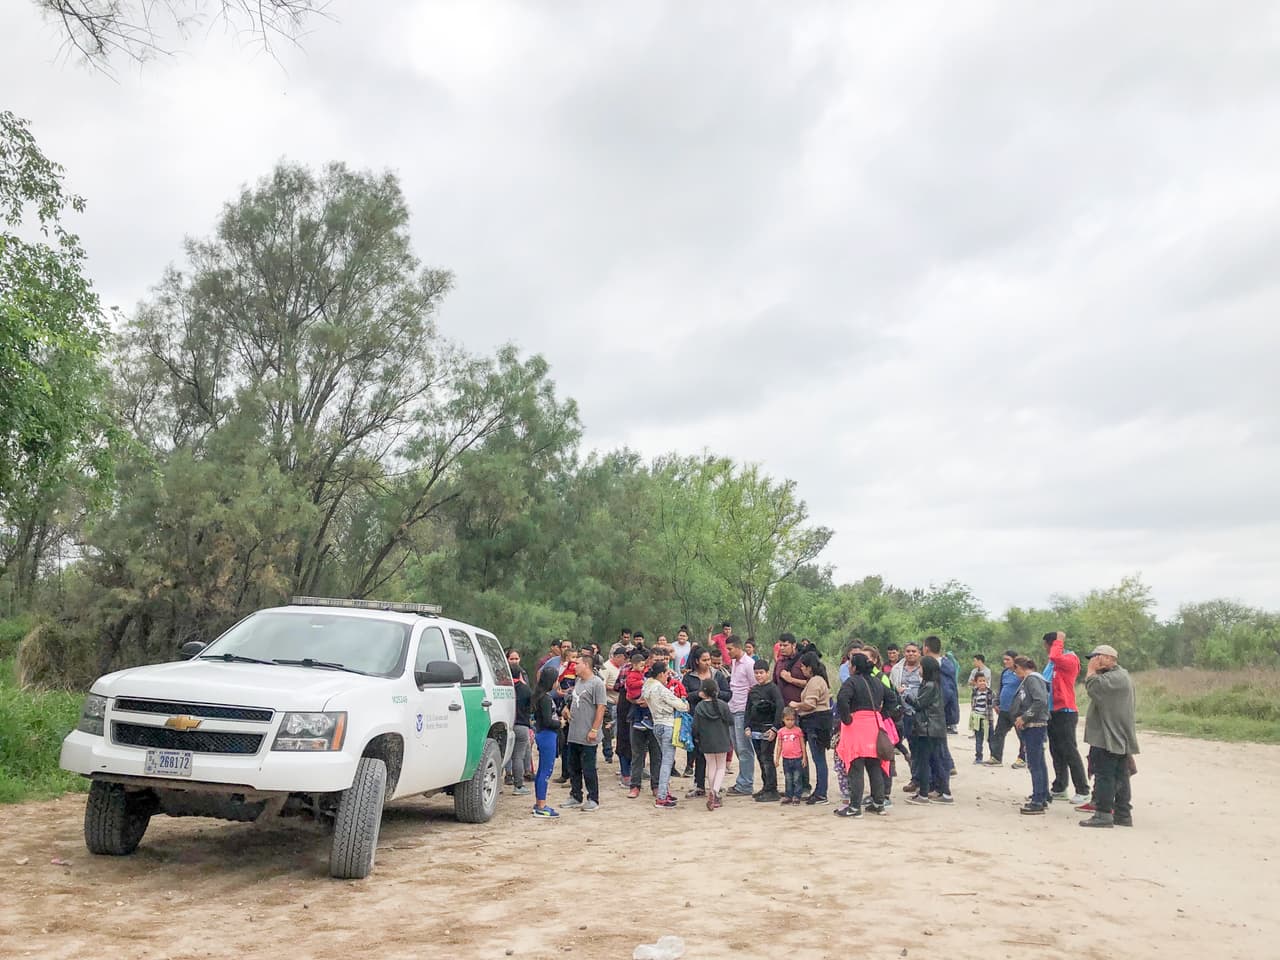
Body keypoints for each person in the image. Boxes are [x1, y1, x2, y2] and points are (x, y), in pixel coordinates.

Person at [1080, 644, 1139, 828]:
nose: (1092, 662)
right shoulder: (1119, 676)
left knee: (1105, 775)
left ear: (1108, 658)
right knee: (1121, 775)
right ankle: (1123, 814)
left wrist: (1091, 670)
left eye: (1095, 657)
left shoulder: (1115, 678)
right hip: (1116, 734)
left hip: (1109, 736)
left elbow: (1092, 686)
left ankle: (1103, 814)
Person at [834, 653, 892, 817]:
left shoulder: (852, 681)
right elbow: (892, 698)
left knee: (856, 767)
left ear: (854, 667)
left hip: (856, 727)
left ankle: (854, 808)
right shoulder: (877, 681)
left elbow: (842, 699)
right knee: (875, 766)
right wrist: (883, 714)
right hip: (875, 726)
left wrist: (846, 718)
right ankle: (878, 804)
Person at [1044, 631, 1091, 804]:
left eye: (1046, 646)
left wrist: (1059, 640)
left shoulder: (1070, 659)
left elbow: (1055, 656)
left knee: (1069, 750)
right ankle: (1060, 787)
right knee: (1056, 751)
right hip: (1052, 711)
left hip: (1066, 711)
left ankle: (1083, 790)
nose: (1046, 650)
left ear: (1051, 644)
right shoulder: (1052, 663)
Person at [561, 652, 607, 812]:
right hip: (574, 733)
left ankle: (593, 798)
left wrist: (594, 729)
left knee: (588, 768)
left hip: (588, 734)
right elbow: (573, 699)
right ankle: (575, 795)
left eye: (577, 664)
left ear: (586, 665)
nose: (574, 666)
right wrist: (566, 709)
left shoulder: (597, 684)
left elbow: (601, 708)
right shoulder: (578, 682)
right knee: (573, 767)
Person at [681, 646, 730, 796]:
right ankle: (700, 785)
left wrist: (713, 694)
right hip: (697, 718)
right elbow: (684, 695)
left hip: (716, 721)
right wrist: (698, 694)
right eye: (704, 660)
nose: (708, 663)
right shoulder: (689, 677)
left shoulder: (718, 675)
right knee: (698, 753)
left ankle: (714, 786)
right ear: (697, 661)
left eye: (709, 659)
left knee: (714, 758)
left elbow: (728, 694)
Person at [904, 656, 951, 804]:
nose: (919, 669)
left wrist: (905, 694)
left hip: (927, 729)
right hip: (934, 728)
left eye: (920, 667)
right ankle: (945, 792)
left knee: (924, 761)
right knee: (935, 760)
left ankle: (923, 794)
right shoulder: (933, 684)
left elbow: (919, 704)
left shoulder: (929, 685)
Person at [643, 662, 689, 808]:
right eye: (667, 673)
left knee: (664, 759)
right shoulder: (661, 689)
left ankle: (664, 792)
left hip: (656, 724)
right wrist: (684, 702)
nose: (668, 677)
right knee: (667, 762)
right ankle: (662, 796)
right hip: (668, 725)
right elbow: (682, 706)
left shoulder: (647, 686)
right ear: (661, 674)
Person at [789, 650, 832, 805]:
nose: (801, 669)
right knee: (818, 758)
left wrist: (797, 705)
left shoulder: (815, 681)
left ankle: (821, 793)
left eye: (803, 666)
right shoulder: (817, 680)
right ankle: (819, 791)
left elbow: (810, 704)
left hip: (815, 722)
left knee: (818, 758)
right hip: (817, 721)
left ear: (809, 667)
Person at [1010, 655, 1051, 815]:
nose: (1015, 674)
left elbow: (1040, 701)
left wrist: (1024, 717)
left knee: (1035, 763)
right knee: (1038, 761)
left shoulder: (1032, 679)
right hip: (1033, 726)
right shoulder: (1031, 679)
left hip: (1035, 725)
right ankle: (1042, 795)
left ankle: (1037, 801)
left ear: (1019, 667)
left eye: (1015, 670)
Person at [693, 674, 734, 810]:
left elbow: (695, 727)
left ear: (703, 692)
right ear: (716, 691)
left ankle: (712, 791)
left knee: (711, 766)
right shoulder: (723, 705)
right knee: (721, 767)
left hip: (706, 741)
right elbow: (731, 721)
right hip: (722, 739)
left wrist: (696, 738)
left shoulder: (699, 707)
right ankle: (715, 792)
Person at [745, 659, 783, 802]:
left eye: (761, 673)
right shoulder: (753, 690)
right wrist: (747, 726)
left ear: (767, 673)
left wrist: (775, 728)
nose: (759, 676)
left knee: (767, 758)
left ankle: (772, 790)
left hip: (768, 728)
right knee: (760, 758)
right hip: (755, 729)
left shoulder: (773, 689)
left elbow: (780, 707)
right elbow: (748, 709)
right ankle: (766, 786)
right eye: (756, 673)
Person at [626, 648, 661, 799]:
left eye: (661, 659)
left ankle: (656, 785)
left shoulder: (662, 675)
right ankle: (635, 785)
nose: (657, 662)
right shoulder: (636, 674)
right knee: (637, 753)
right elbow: (628, 694)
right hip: (637, 716)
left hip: (656, 719)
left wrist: (650, 702)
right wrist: (635, 700)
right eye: (655, 659)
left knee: (656, 754)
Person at [726, 636, 758, 797]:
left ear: (739, 648)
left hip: (743, 710)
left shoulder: (749, 664)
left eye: (730, 649)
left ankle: (746, 784)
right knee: (738, 747)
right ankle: (743, 780)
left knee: (745, 748)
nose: (728, 652)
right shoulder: (734, 663)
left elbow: (754, 686)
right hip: (732, 708)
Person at [530, 665, 562, 818]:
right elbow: (548, 721)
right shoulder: (546, 699)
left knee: (542, 770)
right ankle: (541, 806)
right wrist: (560, 723)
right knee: (546, 771)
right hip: (547, 735)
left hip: (543, 734)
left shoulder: (540, 696)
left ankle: (539, 802)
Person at [986, 650, 1023, 766]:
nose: (1005, 662)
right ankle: (996, 758)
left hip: (1017, 710)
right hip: (1004, 710)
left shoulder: (1021, 673)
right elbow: (1001, 688)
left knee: (1022, 736)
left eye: (1008, 659)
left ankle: (1023, 758)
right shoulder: (1005, 673)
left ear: (1015, 660)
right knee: (998, 734)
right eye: (1004, 659)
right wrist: (996, 703)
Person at [509, 663, 533, 796]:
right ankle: (518, 786)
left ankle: (498, 785)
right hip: (521, 725)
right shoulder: (525, 689)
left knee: (501, 756)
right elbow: (532, 707)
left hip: (506, 725)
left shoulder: (503, 688)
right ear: (520, 674)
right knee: (518, 757)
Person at [775, 707, 808, 805]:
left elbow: (802, 744)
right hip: (786, 758)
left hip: (797, 758)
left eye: (792, 720)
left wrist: (804, 757)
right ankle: (788, 795)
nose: (790, 722)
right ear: (783, 719)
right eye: (787, 719)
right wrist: (777, 758)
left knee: (797, 778)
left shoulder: (798, 731)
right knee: (788, 778)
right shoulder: (781, 731)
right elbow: (779, 746)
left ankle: (797, 796)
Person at [600, 646, 626, 765]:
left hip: (619, 702)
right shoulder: (606, 667)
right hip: (609, 701)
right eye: (624, 658)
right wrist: (616, 688)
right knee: (607, 729)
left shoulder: (622, 668)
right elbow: (602, 684)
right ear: (617, 657)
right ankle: (608, 752)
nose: (625, 661)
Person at [969, 672, 995, 764]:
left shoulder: (990, 692)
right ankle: (978, 757)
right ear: (976, 683)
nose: (982, 683)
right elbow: (973, 704)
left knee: (991, 739)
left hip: (988, 719)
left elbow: (994, 703)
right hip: (978, 719)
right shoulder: (974, 692)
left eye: (984, 680)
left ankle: (993, 756)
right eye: (980, 681)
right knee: (978, 739)